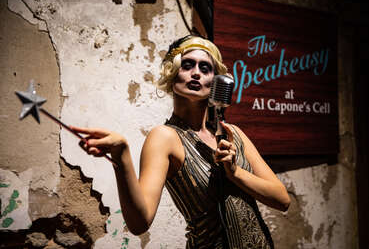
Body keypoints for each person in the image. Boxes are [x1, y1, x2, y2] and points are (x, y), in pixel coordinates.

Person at [71, 35, 290, 248]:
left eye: (205, 69)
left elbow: (282, 200)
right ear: (173, 72)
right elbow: (139, 223)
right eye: (187, 65)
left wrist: (235, 173)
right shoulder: (165, 137)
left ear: (215, 81)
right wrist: (122, 157)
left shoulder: (234, 134)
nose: (196, 73)